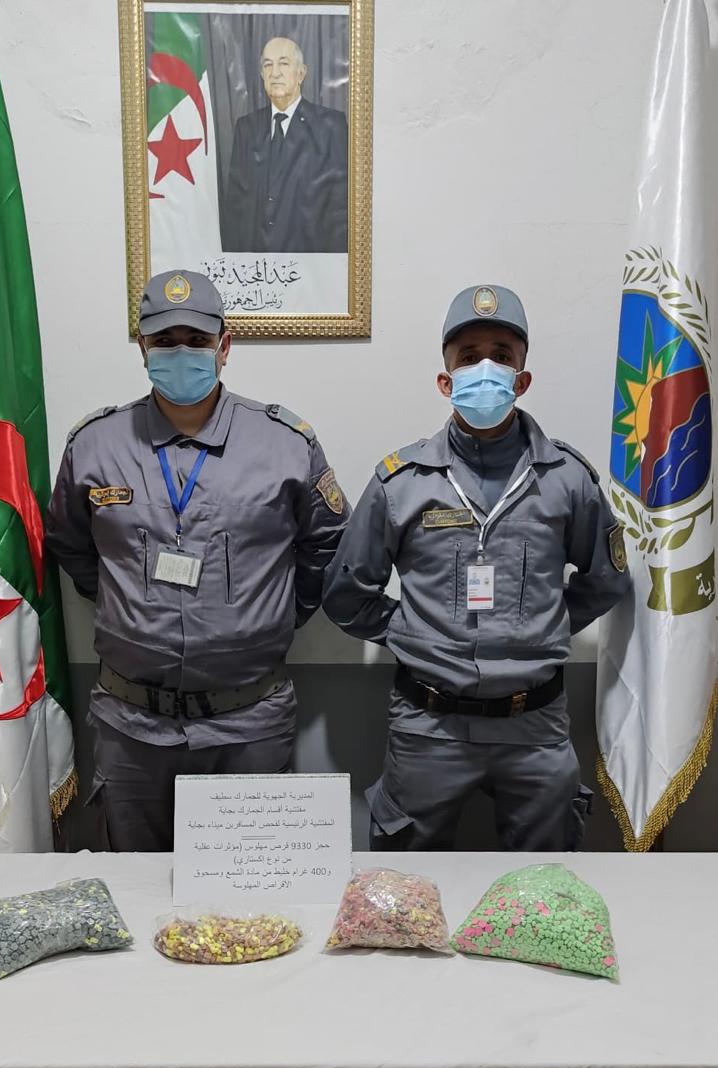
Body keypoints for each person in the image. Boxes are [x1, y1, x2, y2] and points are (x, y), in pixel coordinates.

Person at [45, 269, 349, 851]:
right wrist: (123, 607)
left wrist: (279, 616)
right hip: (131, 724)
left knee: (253, 893)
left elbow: (328, 544)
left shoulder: (286, 444)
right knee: (136, 887)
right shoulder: (94, 445)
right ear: (142, 348)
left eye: (196, 340)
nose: (180, 352)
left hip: (249, 722)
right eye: (164, 341)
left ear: (224, 346)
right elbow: (70, 543)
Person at [322, 284, 630, 852]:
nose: (485, 368)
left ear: (522, 379)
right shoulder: (402, 483)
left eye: (501, 355)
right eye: (468, 357)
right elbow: (346, 593)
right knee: (408, 884)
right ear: (446, 381)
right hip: (428, 726)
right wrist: (413, 633)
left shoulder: (567, 479)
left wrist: (544, 626)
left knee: (544, 886)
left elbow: (605, 580)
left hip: (536, 726)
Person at [222, 36, 348, 253]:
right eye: (268, 65)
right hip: (255, 263)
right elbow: (235, 210)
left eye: (284, 63)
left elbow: (339, 210)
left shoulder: (330, 126)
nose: (275, 73)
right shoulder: (246, 128)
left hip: (309, 262)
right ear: (262, 74)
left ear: (301, 73)